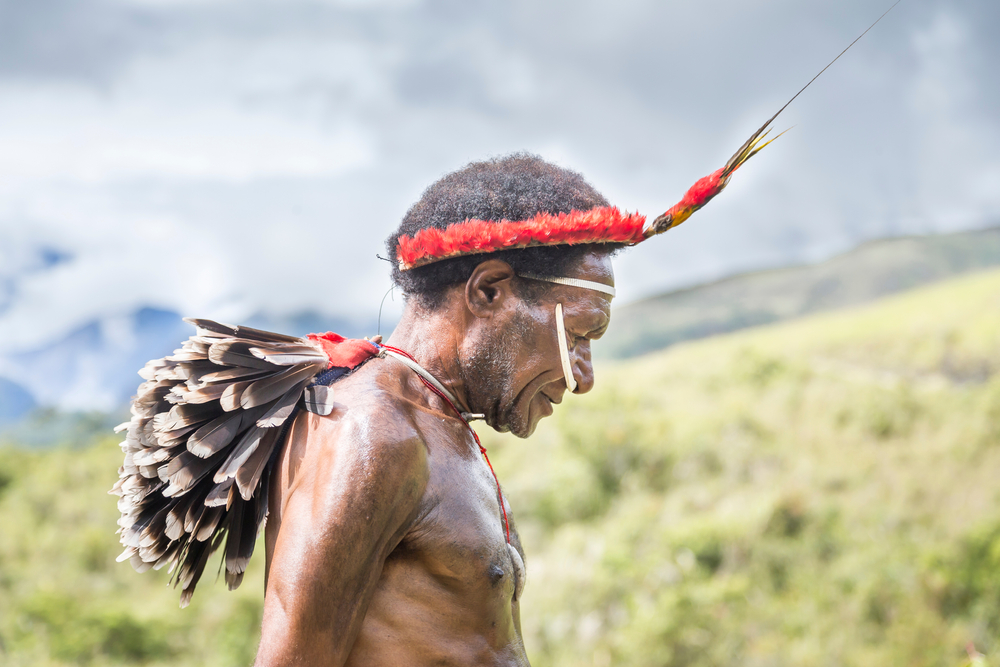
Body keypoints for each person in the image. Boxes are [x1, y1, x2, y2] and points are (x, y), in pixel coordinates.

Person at [254, 154, 621, 665]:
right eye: (578, 336)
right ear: (488, 291)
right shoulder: (374, 435)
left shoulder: (440, 423)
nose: (584, 378)